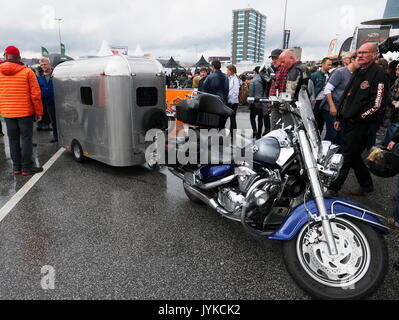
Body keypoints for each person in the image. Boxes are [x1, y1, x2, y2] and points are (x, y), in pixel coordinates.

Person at [326, 43, 388, 197]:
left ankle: (333, 188)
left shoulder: (378, 73)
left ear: (374, 55)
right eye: (358, 52)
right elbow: (348, 96)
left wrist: (360, 118)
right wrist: (340, 116)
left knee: (346, 154)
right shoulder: (359, 71)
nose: (359, 55)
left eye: (364, 53)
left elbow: (377, 104)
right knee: (353, 155)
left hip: (363, 125)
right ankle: (366, 184)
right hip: (350, 121)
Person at [0, 46, 43, 176]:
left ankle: (16, 167)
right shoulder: (27, 72)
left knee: (13, 139)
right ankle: (27, 168)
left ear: (6, 57)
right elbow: (36, 94)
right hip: (25, 112)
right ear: (18, 57)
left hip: (8, 113)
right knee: (26, 139)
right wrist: (39, 112)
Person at [322, 52, 359, 146]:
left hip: (343, 111)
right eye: (359, 60)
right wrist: (332, 106)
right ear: (352, 60)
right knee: (333, 135)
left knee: (339, 136)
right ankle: (324, 155)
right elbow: (327, 89)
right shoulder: (340, 72)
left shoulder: (357, 74)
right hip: (332, 108)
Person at [276, 48, 311, 127]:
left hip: (293, 109)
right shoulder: (303, 67)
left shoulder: (295, 70)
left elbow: (289, 95)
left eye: (283, 61)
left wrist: (282, 106)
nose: (281, 64)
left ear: (291, 58)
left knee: (290, 131)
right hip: (304, 107)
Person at [38, 57, 58, 143]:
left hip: (59, 101)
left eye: (45, 64)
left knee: (61, 120)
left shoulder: (56, 74)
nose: (43, 66)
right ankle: (56, 137)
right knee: (53, 121)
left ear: (49, 64)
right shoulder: (40, 77)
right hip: (48, 102)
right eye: (41, 65)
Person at [268, 49, 288, 130]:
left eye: (276, 58)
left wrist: (280, 101)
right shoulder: (278, 70)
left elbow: (283, 88)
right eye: (272, 59)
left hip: (279, 104)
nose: (273, 61)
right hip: (276, 103)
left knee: (276, 130)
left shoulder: (283, 69)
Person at [311, 57, 332, 133]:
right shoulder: (315, 75)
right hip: (317, 101)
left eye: (331, 65)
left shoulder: (331, 75)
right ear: (323, 64)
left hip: (326, 101)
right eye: (328, 65)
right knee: (316, 122)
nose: (330, 67)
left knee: (322, 122)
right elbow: (310, 88)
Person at [382, 63, 399, 147]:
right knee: (388, 135)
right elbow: (389, 93)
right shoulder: (397, 80)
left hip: (397, 117)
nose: (396, 71)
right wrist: (392, 101)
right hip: (392, 114)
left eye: (397, 69)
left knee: (393, 138)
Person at [249, 66, 267, 139]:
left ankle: (254, 131)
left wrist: (250, 102)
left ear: (256, 72)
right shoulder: (265, 79)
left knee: (252, 117)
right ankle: (259, 134)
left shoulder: (253, 80)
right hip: (262, 102)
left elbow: (251, 93)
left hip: (254, 101)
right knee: (260, 119)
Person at [226, 65, 240, 135]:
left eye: (228, 70)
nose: (227, 71)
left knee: (232, 118)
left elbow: (236, 92)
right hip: (229, 100)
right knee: (231, 118)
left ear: (232, 71)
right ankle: (231, 132)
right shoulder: (230, 78)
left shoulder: (235, 79)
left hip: (233, 102)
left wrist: (231, 100)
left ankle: (233, 133)